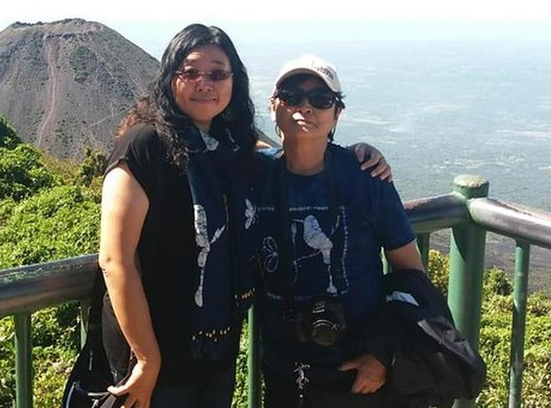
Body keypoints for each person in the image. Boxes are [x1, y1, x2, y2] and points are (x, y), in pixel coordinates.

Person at [99, 26, 391, 408]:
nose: (205, 82)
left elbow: (293, 154)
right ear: (171, 77)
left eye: (218, 73)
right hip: (155, 360)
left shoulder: (231, 151)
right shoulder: (145, 144)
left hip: (214, 357)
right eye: (191, 72)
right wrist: (147, 359)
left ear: (233, 81)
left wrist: (355, 154)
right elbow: (115, 260)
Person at [252, 54, 425, 408]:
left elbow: (410, 273)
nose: (305, 107)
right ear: (274, 107)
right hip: (283, 369)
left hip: (358, 372)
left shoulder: (366, 178)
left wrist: (381, 355)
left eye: (321, 99)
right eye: (291, 96)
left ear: (337, 113)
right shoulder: (254, 176)